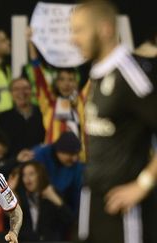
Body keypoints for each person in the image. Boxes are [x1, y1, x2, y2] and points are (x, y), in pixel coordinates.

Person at [70, 1, 157, 242]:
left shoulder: (130, 74)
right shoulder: (97, 74)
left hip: (124, 208)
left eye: (79, 30)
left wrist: (143, 185)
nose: (73, 39)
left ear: (105, 29)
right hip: (92, 199)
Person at [19, 131, 84, 212]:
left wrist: (72, 214)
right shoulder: (39, 155)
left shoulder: (76, 166)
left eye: (77, 154)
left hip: (58, 209)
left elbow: (75, 193)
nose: (74, 159)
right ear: (59, 151)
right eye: (71, 154)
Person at [12, 161, 74, 241]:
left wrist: (56, 199)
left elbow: (69, 221)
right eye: (24, 175)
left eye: (31, 174)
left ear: (40, 175)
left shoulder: (52, 193)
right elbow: (12, 216)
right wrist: (12, 191)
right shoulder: (21, 196)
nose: (27, 179)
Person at [0, 77, 45, 160]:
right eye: (16, 89)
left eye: (25, 88)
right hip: (14, 163)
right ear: (11, 93)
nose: (21, 93)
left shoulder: (43, 114)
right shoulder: (3, 118)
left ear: (31, 91)